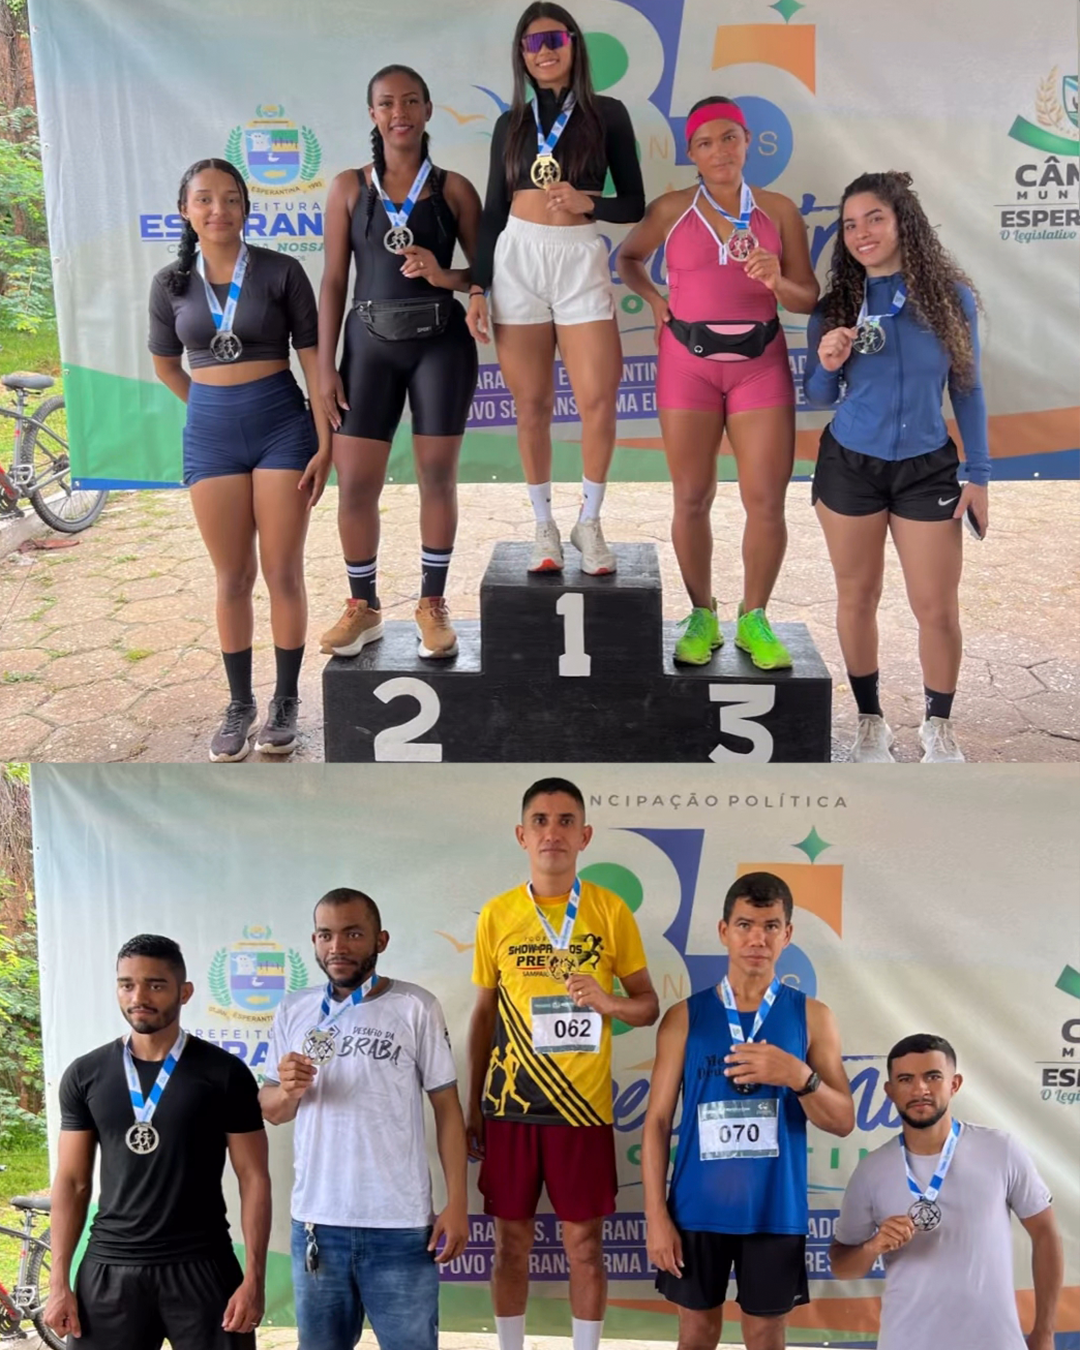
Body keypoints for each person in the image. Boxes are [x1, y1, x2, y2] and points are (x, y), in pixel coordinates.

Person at [617, 97, 818, 670]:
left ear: (747, 142)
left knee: (766, 499)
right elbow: (629, 259)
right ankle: (701, 614)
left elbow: (807, 297)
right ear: (692, 153)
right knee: (691, 496)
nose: (719, 151)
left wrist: (777, 279)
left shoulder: (778, 211)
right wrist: (654, 300)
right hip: (688, 364)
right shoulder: (672, 208)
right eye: (705, 143)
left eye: (729, 138)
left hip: (760, 364)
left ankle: (755, 618)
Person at [803, 171, 990, 763]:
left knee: (936, 606)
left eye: (874, 219)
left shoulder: (950, 298)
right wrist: (828, 362)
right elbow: (818, 395)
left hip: (926, 469)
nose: (861, 233)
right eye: (850, 225)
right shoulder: (837, 305)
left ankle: (938, 727)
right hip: (850, 465)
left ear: (903, 222)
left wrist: (979, 474)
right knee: (857, 596)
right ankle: (869, 721)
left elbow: (967, 389)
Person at [467, 777, 659, 1350]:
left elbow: (648, 1006)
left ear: (585, 836)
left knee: (585, 1248)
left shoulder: (609, 909)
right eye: (542, 821)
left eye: (566, 820)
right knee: (510, 1246)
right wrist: (475, 1105)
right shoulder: (498, 914)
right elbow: (483, 1016)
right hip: (511, 1108)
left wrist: (608, 1002)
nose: (553, 832)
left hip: (582, 1110)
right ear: (522, 835)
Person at [149, 158, 331, 761]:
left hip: (283, 429)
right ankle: (239, 704)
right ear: (185, 211)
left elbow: (314, 363)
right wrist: (211, 408)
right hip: (211, 438)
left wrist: (325, 441)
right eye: (204, 199)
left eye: (230, 199)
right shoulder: (170, 284)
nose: (218, 210)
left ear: (246, 209)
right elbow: (166, 366)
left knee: (282, 571)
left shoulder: (281, 271)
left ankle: (285, 701)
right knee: (232, 577)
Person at [466, 3, 645, 576]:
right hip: (517, 257)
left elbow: (634, 203)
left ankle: (588, 521)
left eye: (554, 39)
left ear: (573, 44)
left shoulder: (607, 114)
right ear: (520, 54)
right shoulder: (511, 123)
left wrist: (588, 200)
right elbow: (493, 212)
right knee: (532, 405)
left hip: (578, 256)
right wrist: (477, 287)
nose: (544, 51)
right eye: (532, 42)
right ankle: (543, 524)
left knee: (598, 399)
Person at [642, 873, 854, 1350]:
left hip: (774, 1210)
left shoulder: (812, 1017)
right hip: (696, 1210)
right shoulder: (684, 1018)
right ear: (724, 931)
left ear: (787, 934)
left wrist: (798, 1075)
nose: (757, 938)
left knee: (765, 1334)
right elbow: (656, 1122)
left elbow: (842, 1120)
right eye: (745, 925)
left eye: (770, 926)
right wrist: (656, 1215)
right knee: (696, 1334)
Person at [318, 66, 482, 662]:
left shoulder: (455, 189)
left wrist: (444, 275)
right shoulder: (347, 188)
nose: (399, 112)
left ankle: (432, 604)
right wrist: (324, 366)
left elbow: (484, 273)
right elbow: (333, 281)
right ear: (373, 114)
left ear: (428, 110)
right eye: (387, 103)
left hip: (442, 345)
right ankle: (363, 607)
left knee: (436, 477)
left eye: (410, 101)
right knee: (356, 483)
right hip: (368, 347)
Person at [260, 887, 468, 1350]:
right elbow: (272, 1110)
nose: (338, 946)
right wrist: (287, 1090)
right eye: (326, 935)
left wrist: (457, 1202)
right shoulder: (293, 1009)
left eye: (353, 934)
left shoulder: (416, 1006)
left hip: (401, 1226)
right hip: (318, 1224)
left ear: (381, 940)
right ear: (314, 941)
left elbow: (447, 1108)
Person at [43, 935, 270, 1350]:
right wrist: (59, 1282)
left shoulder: (225, 1073)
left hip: (202, 1266)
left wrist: (254, 1278)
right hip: (111, 1267)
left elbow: (253, 1177)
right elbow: (72, 1182)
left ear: (185, 992)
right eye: (127, 984)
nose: (139, 997)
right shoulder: (86, 1074)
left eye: (155, 985)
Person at [830, 1034, 1062, 1350]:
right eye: (905, 1079)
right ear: (890, 1091)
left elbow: (1046, 1234)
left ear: (954, 1084)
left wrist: (1045, 1332)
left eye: (933, 1077)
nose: (919, 1089)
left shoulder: (1000, 1149)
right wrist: (872, 1247)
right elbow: (842, 1267)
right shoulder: (872, 1170)